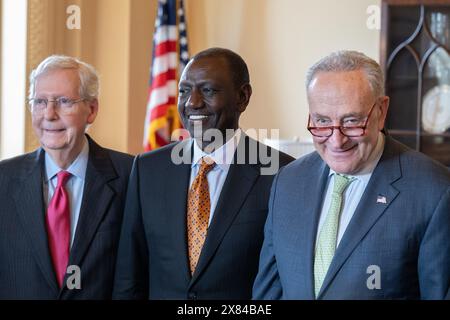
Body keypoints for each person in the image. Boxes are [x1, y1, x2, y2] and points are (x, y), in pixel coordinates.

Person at [253, 50, 450, 300]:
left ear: (381, 110)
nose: (337, 141)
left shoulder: (434, 191)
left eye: (352, 121)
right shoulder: (287, 182)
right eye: (322, 121)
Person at [113, 47, 294, 299]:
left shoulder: (282, 173)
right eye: (184, 90)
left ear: (242, 97)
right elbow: (129, 276)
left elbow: (284, 281)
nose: (192, 102)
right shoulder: (148, 169)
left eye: (208, 91)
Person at [0, 55, 133, 299]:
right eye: (40, 101)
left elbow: (138, 274)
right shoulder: (3, 180)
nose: (49, 114)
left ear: (91, 110)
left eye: (63, 101)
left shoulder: (131, 176)